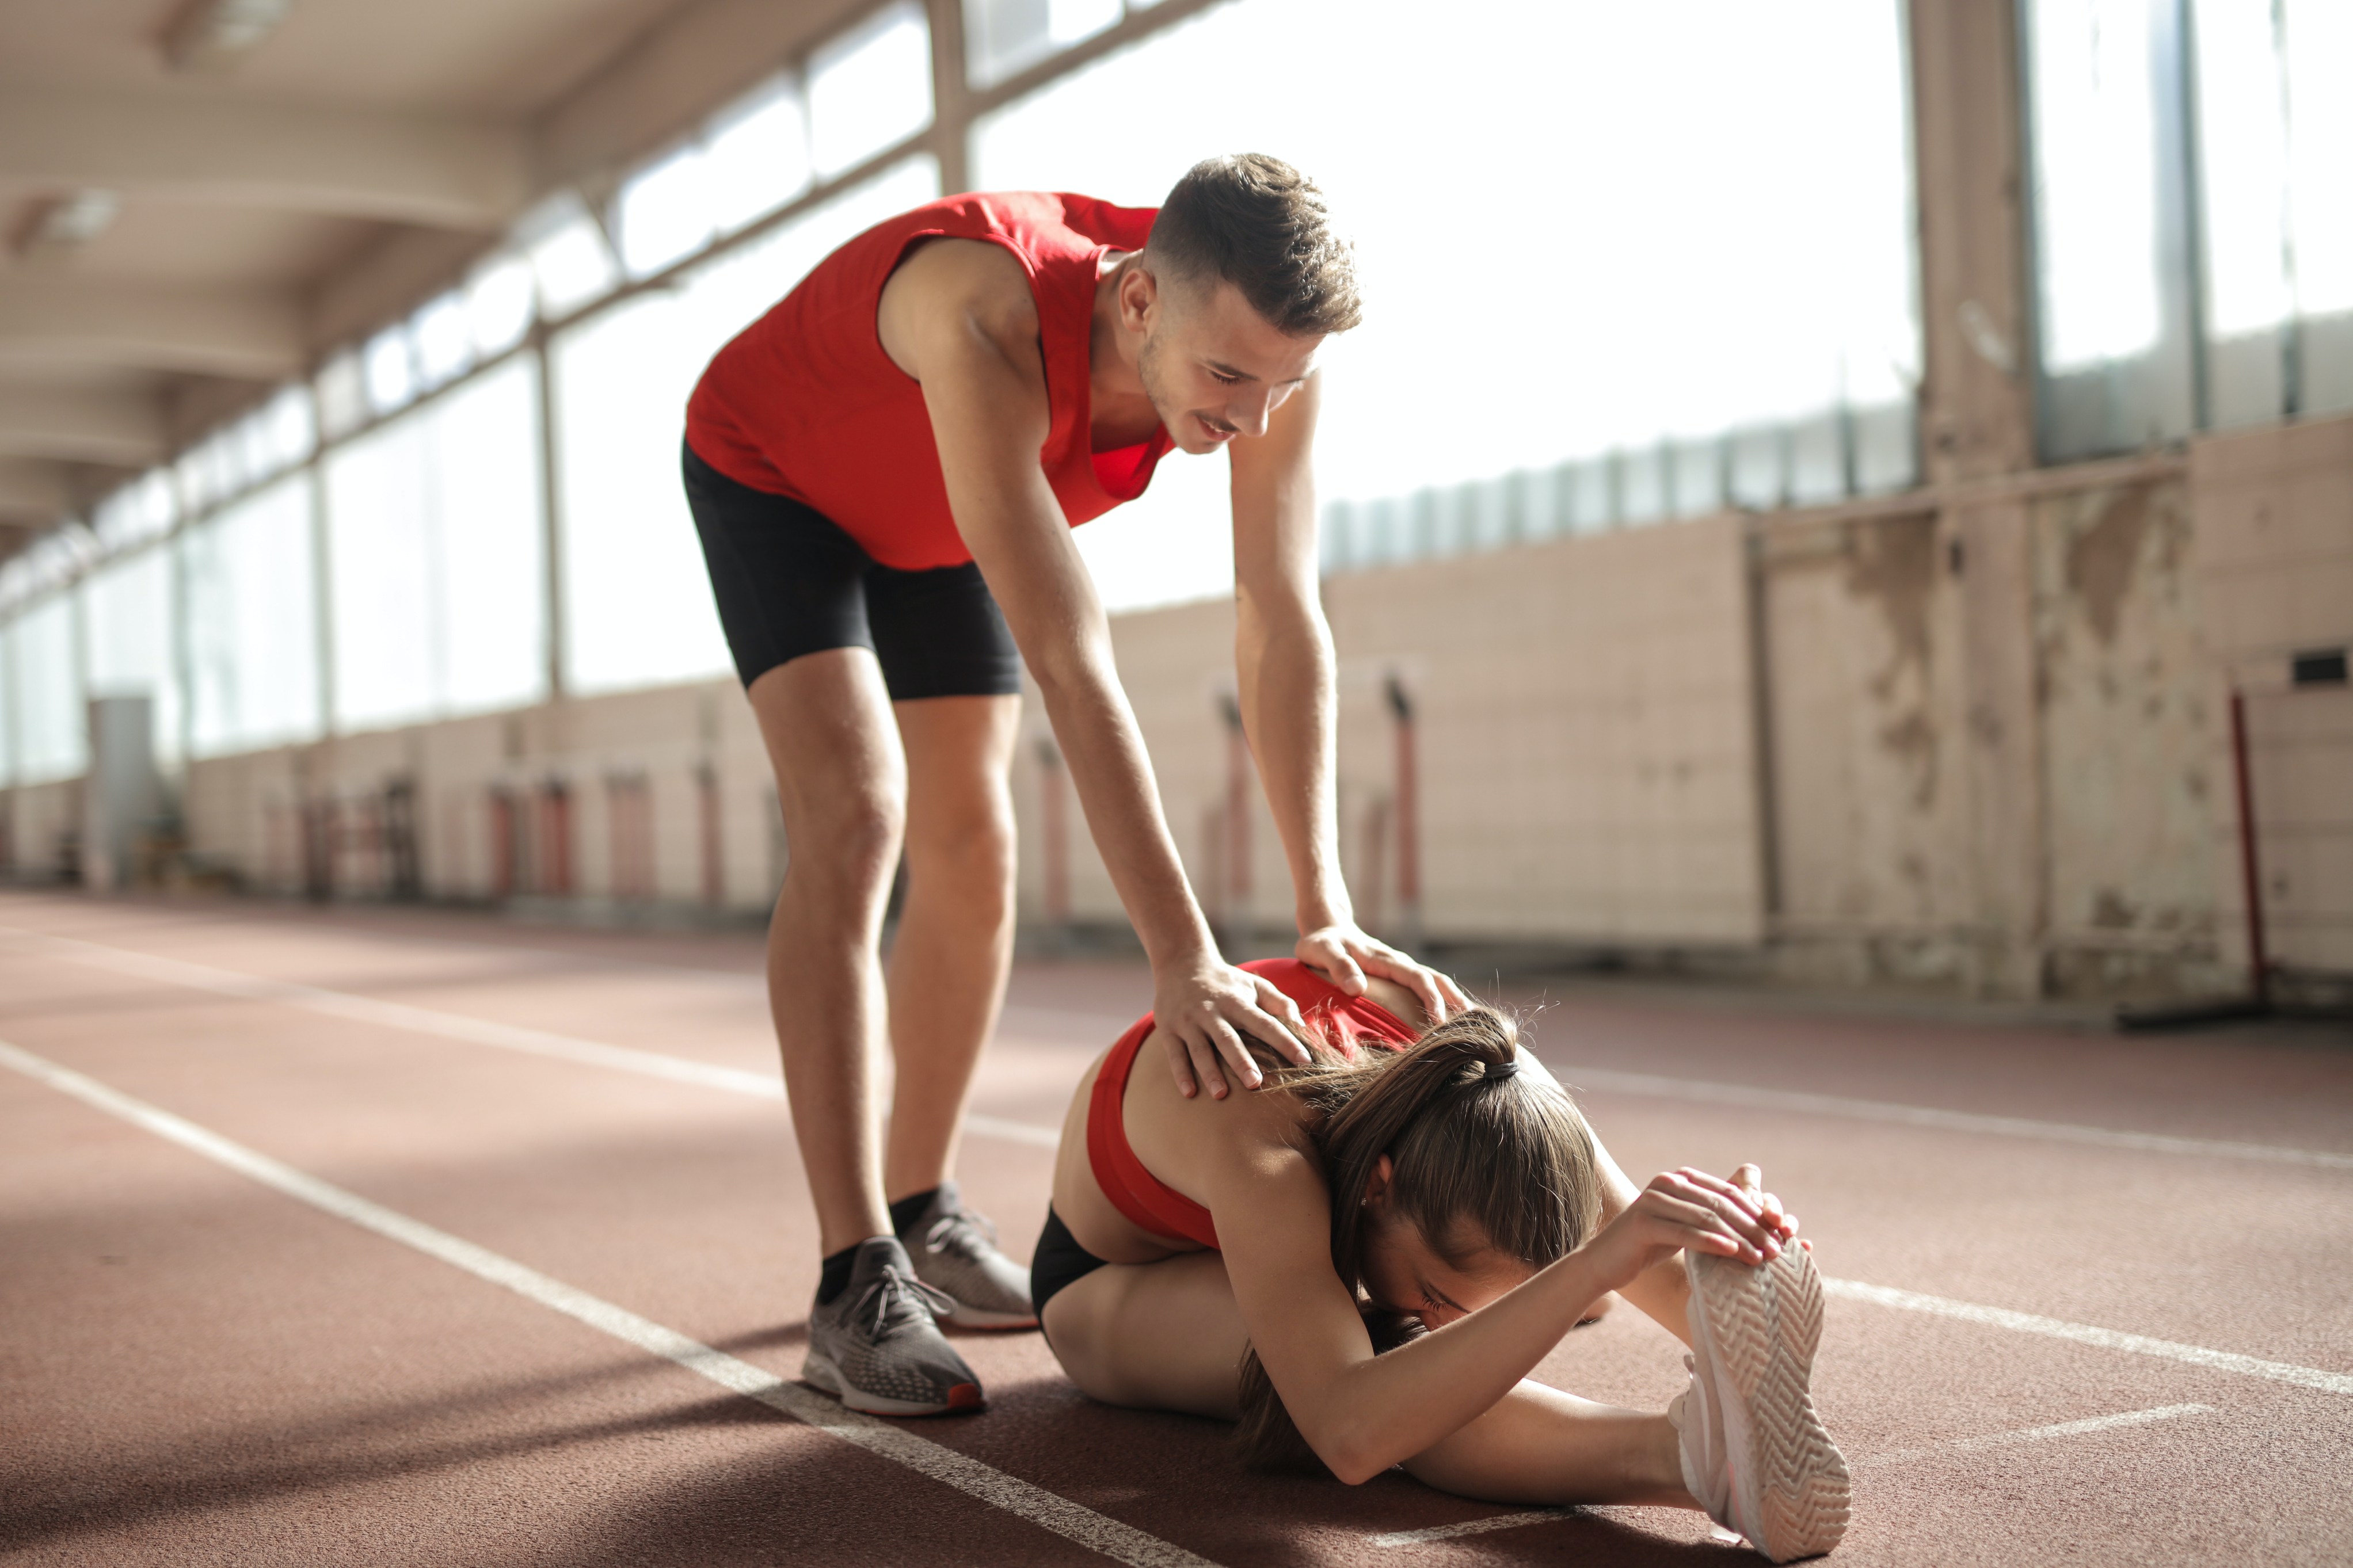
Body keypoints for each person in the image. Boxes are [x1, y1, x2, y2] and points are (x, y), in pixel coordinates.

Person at [683, 154, 1465, 1416]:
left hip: (938, 506)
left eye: (1283, 390)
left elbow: (1279, 613)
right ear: (1140, 302)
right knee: (860, 812)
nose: (1252, 423)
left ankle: (921, 1203)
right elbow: (1067, 654)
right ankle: (851, 1273)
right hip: (781, 477)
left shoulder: (1259, 354)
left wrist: (1324, 906)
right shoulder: (981, 311)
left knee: (976, 841)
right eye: (1227, 383)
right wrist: (1183, 957)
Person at [1031, 957, 1852, 1564]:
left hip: (1320, 1219)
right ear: (1378, 1190)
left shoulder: (1495, 1080)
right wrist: (1591, 1268)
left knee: (1524, 1281)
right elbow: (1349, 1432)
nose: (1442, 1314)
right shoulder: (1266, 1146)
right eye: (1435, 1290)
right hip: (1111, 1279)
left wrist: (1735, 1250)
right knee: (1394, 1368)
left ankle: (1724, 1438)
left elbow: (1644, 1251)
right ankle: (1692, 1456)